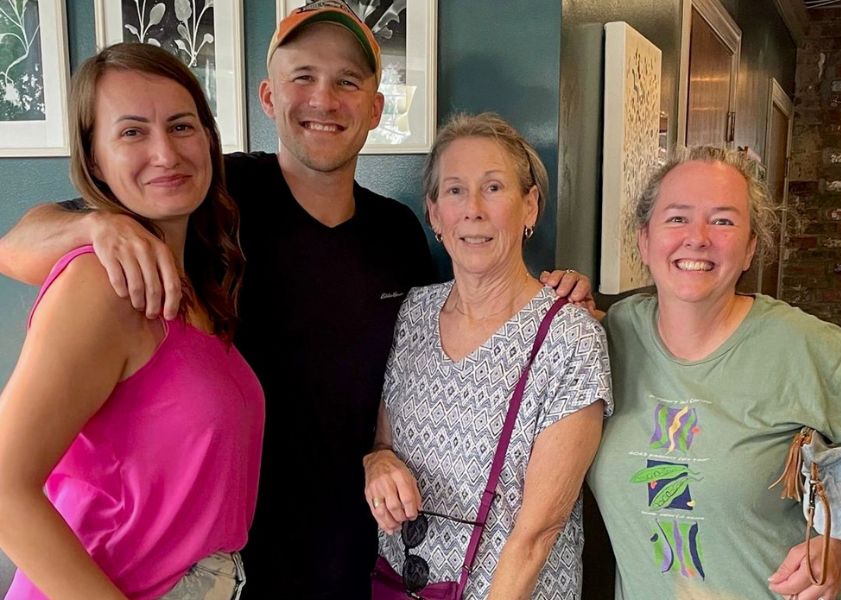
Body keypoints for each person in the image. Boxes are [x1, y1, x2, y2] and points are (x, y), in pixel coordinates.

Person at [0, 3, 592, 597]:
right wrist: (93, 227)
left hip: (361, 547)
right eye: (302, 77)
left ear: (375, 108)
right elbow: (16, 248)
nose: (323, 99)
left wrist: (553, 304)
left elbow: (454, 330)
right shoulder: (208, 195)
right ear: (268, 97)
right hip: (224, 555)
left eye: (347, 82)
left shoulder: (398, 233)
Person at [0, 44, 263, 600]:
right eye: (132, 132)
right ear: (94, 161)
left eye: (181, 126)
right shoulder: (98, 285)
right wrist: (92, 226)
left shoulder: (192, 288)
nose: (165, 153)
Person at [589, 146, 841, 599]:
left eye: (723, 221)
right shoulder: (609, 337)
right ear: (644, 239)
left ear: (752, 247)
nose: (697, 237)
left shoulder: (813, 350)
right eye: (677, 218)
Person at [363, 113, 613, 598]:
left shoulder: (571, 339)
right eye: (455, 191)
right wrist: (377, 463)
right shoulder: (413, 312)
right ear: (434, 213)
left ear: (530, 207)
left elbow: (537, 535)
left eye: (494, 188)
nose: (473, 209)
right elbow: (384, 441)